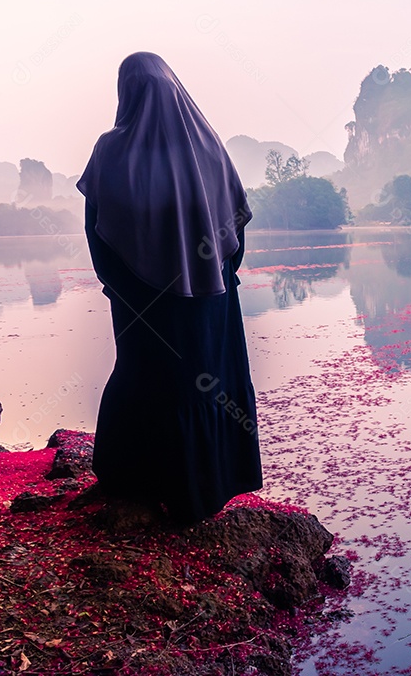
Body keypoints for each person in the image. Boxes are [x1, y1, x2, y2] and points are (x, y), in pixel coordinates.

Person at [78, 52, 262, 523]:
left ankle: (137, 479)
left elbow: (97, 228)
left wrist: (121, 286)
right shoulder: (210, 148)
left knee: (146, 380)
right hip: (211, 300)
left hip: (143, 304)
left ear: (126, 92)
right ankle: (208, 487)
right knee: (207, 386)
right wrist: (217, 276)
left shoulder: (111, 150)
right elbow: (235, 231)